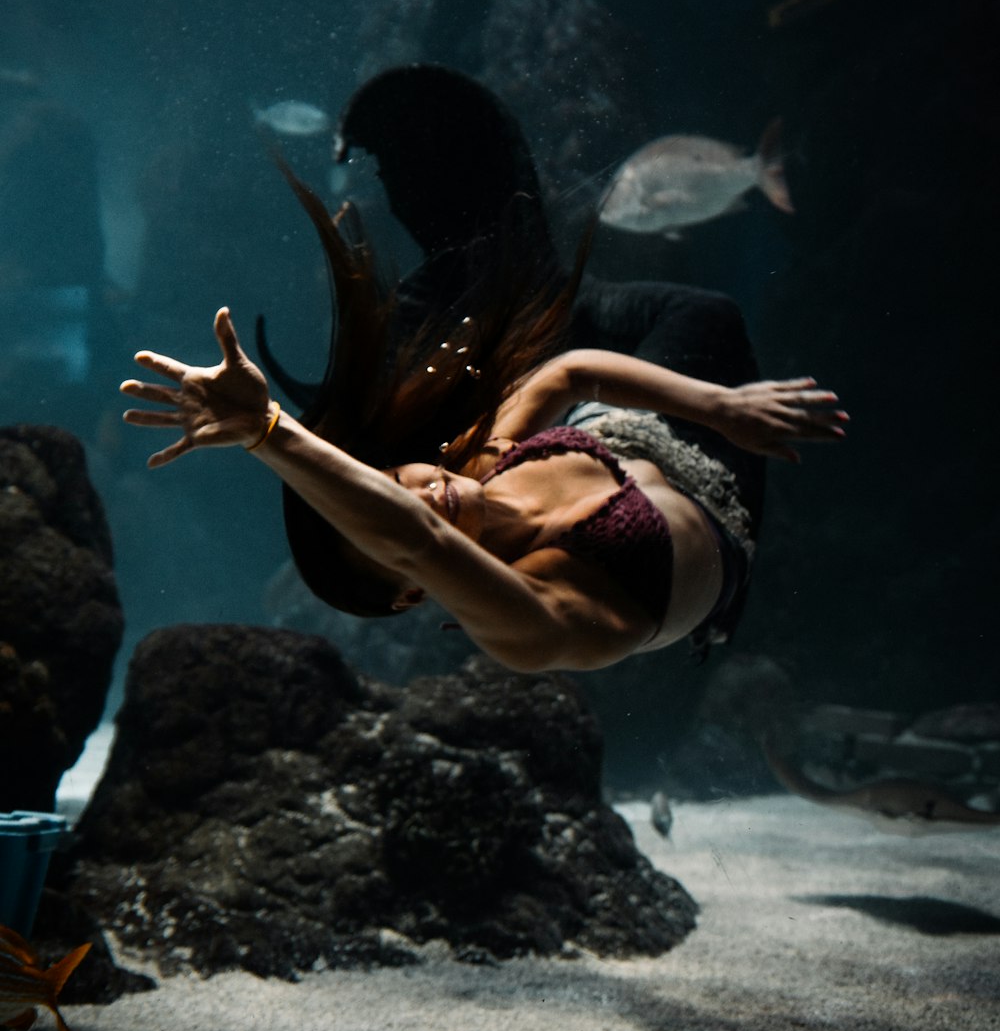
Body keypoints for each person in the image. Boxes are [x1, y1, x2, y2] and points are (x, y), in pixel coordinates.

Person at [120, 180, 846, 672]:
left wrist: (721, 407)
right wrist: (262, 430)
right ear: (412, 588)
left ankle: (514, 269)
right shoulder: (521, 622)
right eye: (394, 525)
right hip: (721, 511)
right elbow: (417, 537)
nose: (423, 495)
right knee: (708, 316)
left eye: (396, 481)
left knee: (660, 319)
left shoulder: (482, 466)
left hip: (642, 428)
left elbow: (569, 377)